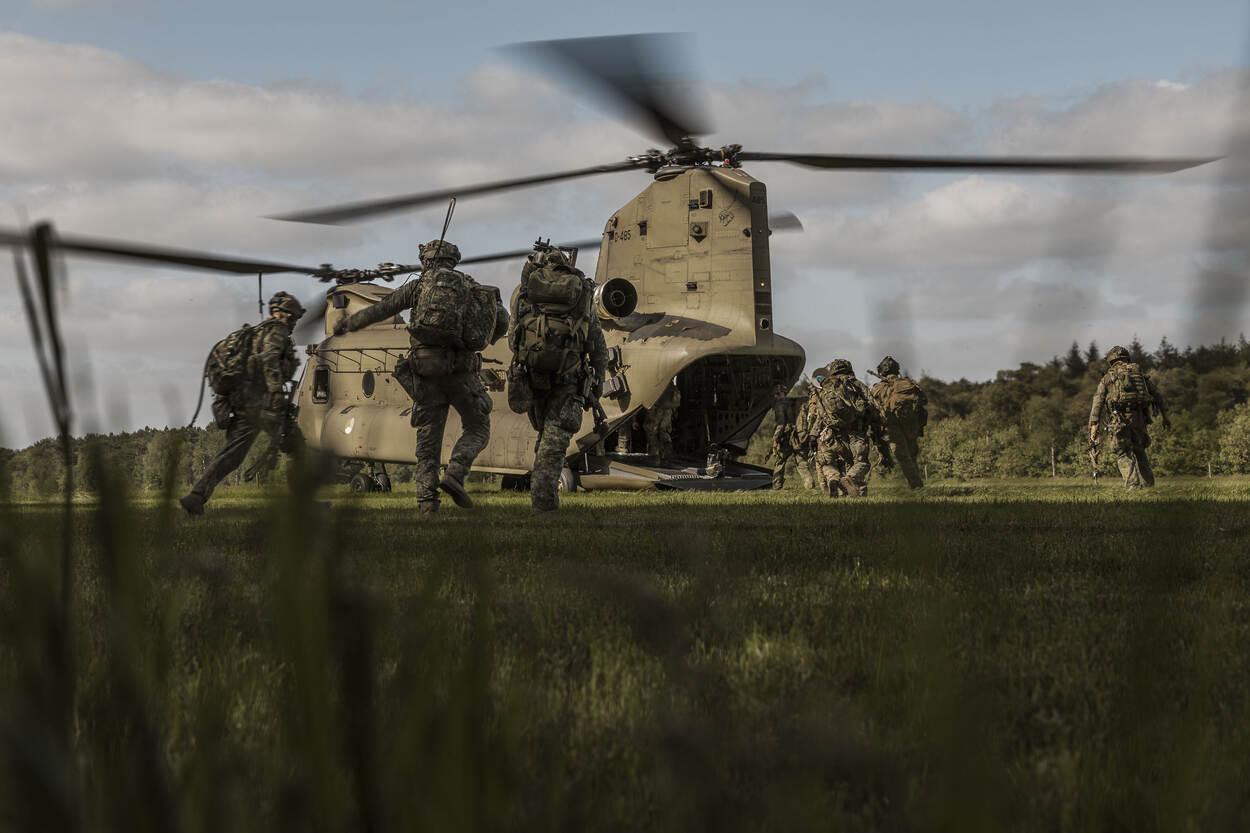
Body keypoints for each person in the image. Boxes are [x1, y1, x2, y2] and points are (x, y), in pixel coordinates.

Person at [334, 240, 508, 514]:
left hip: (425, 372)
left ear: (426, 261)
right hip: (461, 371)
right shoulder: (470, 286)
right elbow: (503, 320)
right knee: (477, 426)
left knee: (428, 442)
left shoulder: (418, 287)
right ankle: (455, 472)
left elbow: (382, 310)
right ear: (453, 261)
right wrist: (483, 340)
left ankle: (427, 505)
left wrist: (347, 324)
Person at [180, 291, 306, 515]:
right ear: (285, 315)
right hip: (264, 405)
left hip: (244, 406)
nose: (294, 323)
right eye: (294, 318)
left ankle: (196, 496)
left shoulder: (256, 334)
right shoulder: (277, 331)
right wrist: (277, 393)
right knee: (296, 446)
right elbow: (269, 361)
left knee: (230, 456)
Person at [508, 247, 608, 514]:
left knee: (544, 440)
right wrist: (596, 386)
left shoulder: (523, 293)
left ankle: (543, 502)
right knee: (553, 445)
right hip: (569, 379)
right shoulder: (583, 294)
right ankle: (544, 507)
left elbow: (512, 340)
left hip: (534, 376)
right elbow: (598, 347)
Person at [808, 359, 893, 497]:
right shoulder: (856, 383)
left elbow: (820, 414)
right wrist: (881, 423)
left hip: (835, 434)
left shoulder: (826, 387)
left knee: (846, 462)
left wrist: (813, 435)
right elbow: (873, 405)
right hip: (856, 431)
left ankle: (846, 494)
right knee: (861, 462)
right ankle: (850, 479)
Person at [1088, 344, 1170, 488]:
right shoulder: (1140, 375)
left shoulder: (1108, 377)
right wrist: (1165, 416)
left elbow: (1098, 401)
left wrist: (1094, 425)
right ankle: (1149, 485)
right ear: (1127, 358)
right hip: (1139, 418)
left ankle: (1133, 485)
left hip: (1118, 419)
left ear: (1111, 361)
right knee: (1140, 451)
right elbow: (1157, 395)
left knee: (1122, 453)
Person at [869, 356, 928, 488]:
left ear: (882, 372)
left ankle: (916, 485)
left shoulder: (878, 388)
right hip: (911, 423)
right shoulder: (910, 384)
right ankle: (916, 484)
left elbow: (871, 407)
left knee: (903, 456)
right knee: (911, 455)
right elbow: (924, 400)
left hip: (892, 425)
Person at [766, 385, 814, 490]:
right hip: (800, 437)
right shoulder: (795, 402)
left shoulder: (780, 405)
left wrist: (775, 439)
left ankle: (777, 487)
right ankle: (810, 486)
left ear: (776, 395)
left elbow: (781, 424)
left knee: (780, 462)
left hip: (786, 439)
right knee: (802, 463)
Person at [644, 380, 681, 464]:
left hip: (657, 409)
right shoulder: (671, 383)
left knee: (651, 431)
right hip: (668, 411)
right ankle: (666, 455)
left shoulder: (658, 380)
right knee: (664, 431)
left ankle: (655, 456)